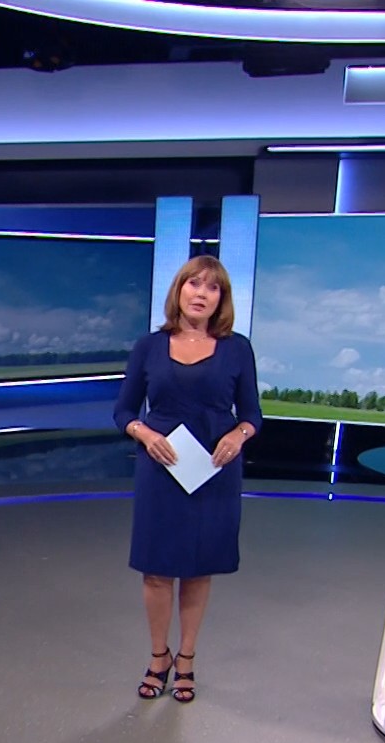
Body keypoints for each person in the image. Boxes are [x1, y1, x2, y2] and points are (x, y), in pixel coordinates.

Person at [113, 255, 263, 703]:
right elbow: (123, 410)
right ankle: (158, 657)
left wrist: (239, 434)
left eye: (213, 287)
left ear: (222, 299)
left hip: (213, 471)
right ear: (178, 290)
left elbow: (252, 414)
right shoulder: (149, 347)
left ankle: (187, 658)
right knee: (157, 570)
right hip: (161, 468)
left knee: (198, 570)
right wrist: (144, 433)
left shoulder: (237, 349)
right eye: (194, 283)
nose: (202, 293)